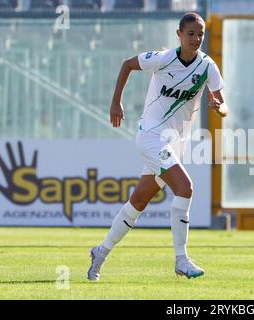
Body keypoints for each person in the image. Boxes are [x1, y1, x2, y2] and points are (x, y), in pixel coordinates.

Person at [87, 12, 227, 281]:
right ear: (179, 34)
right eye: (191, 34)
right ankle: (181, 259)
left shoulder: (208, 66)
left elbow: (223, 104)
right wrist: (116, 102)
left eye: (200, 34)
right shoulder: (163, 59)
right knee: (185, 188)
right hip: (151, 136)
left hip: (176, 142)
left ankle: (100, 252)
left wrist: (220, 108)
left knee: (139, 200)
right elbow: (127, 64)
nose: (196, 39)